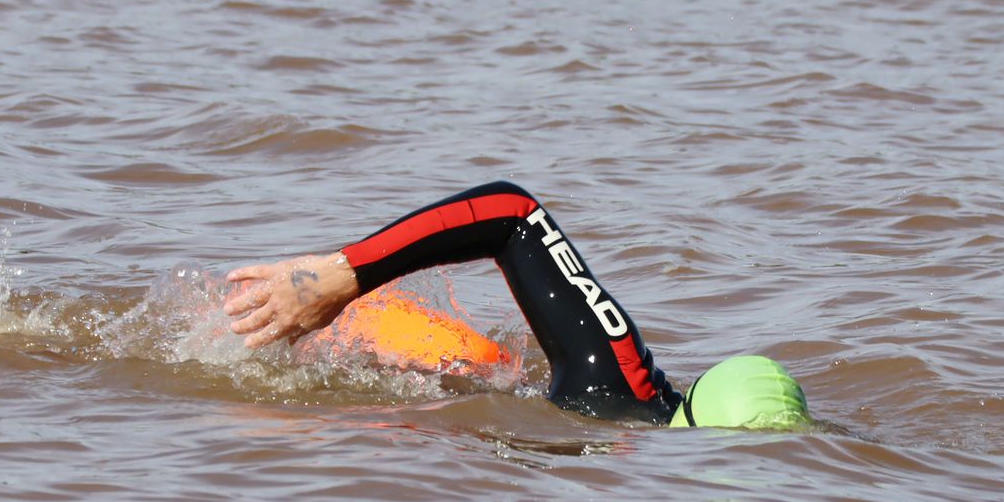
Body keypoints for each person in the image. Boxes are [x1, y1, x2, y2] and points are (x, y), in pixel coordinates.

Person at [223, 181, 809, 429]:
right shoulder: (617, 404)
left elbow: (515, 214)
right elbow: (511, 209)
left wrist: (347, 274)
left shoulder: (623, 388)